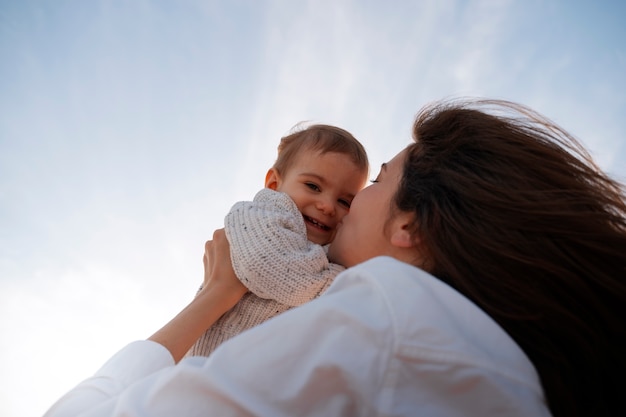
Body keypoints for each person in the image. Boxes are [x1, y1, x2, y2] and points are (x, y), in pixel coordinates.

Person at [43, 99, 626, 417]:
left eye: (372, 185)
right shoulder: (472, 352)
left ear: (410, 224)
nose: (342, 208)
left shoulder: (384, 317)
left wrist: (213, 296)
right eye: (318, 189)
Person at [186, 124, 369, 356]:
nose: (327, 206)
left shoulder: (324, 249)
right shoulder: (259, 215)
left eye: (344, 202)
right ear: (274, 184)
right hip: (205, 361)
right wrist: (344, 282)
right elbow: (266, 266)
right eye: (313, 186)